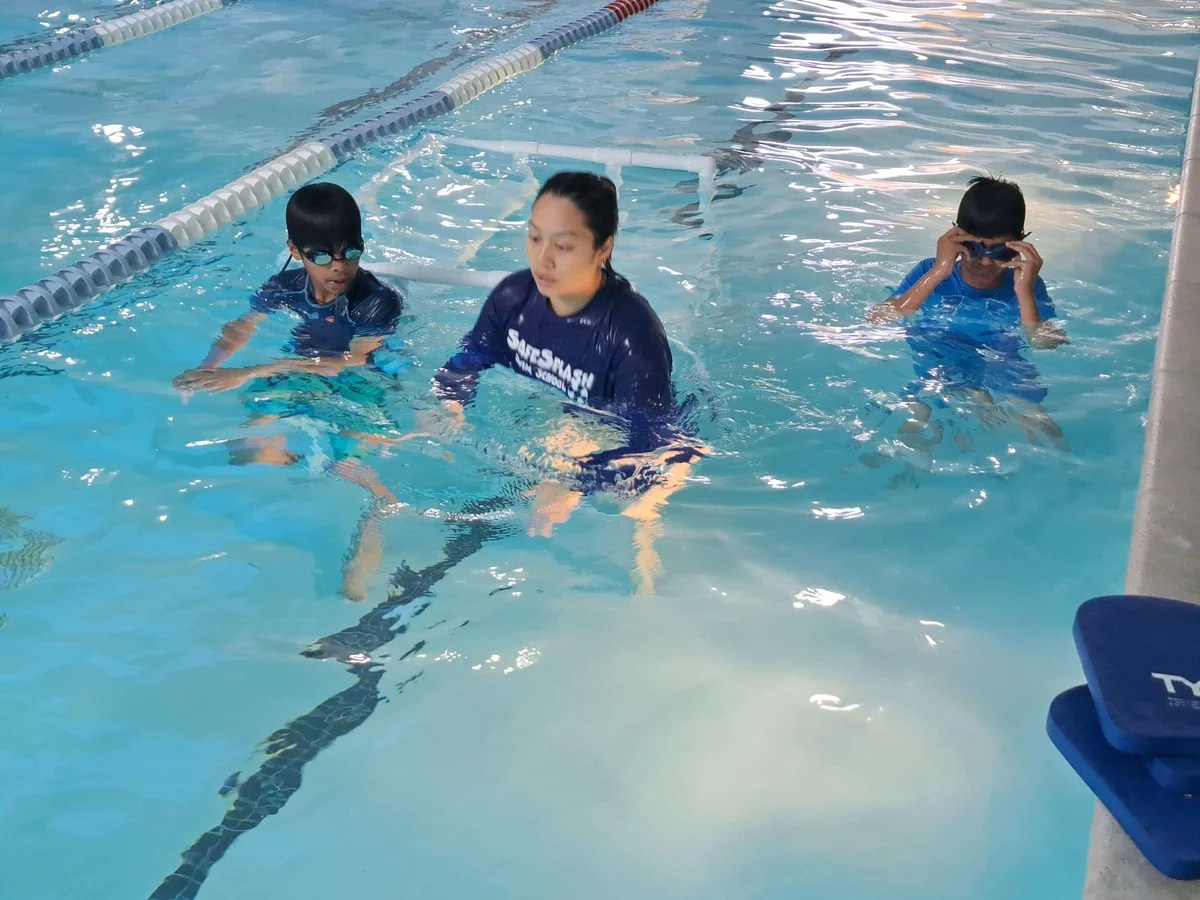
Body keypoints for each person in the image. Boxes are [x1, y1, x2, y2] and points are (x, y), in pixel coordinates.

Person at [427, 171, 701, 592]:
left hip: (615, 438)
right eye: (535, 237)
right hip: (543, 428)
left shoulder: (631, 334)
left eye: (564, 245)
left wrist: (574, 482)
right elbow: (473, 355)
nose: (543, 259)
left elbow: (653, 442)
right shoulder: (513, 296)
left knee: (639, 508)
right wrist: (449, 402)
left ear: (603, 248)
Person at [173, 182, 405, 601]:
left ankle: (370, 533)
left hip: (361, 382)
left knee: (354, 470)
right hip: (301, 371)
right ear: (295, 251)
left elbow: (350, 363)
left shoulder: (376, 301)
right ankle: (291, 491)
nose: (339, 268)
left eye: (351, 252)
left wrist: (252, 371)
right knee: (248, 446)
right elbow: (242, 326)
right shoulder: (284, 286)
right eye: (323, 256)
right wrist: (209, 368)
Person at [866, 174, 1067, 453]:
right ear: (956, 238)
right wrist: (939, 271)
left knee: (1041, 427)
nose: (985, 262)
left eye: (1000, 252)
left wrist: (1024, 291)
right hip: (939, 361)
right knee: (915, 424)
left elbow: (1045, 343)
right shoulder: (929, 271)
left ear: (1020, 244)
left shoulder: (1026, 283)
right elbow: (878, 318)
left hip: (1001, 363)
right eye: (974, 248)